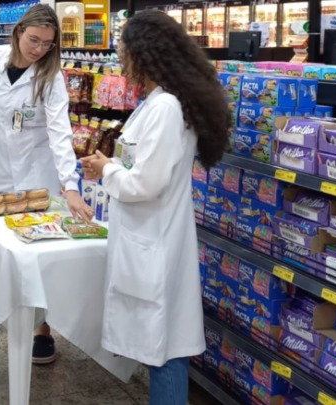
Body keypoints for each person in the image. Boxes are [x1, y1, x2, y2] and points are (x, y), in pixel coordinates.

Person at [81, 10, 231, 405]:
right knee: (159, 347)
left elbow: (146, 183)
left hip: (156, 242)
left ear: (143, 54)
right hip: (147, 237)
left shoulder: (166, 107)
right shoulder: (157, 101)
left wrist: (107, 168)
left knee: (164, 351)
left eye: (122, 49)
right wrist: (110, 167)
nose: (119, 57)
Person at [0, 4, 93, 365]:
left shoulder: (52, 76)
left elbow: (59, 132)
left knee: (37, 255)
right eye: (34, 40)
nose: (38, 49)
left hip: (38, 175)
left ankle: (42, 328)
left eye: (47, 44)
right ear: (18, 32)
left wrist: (69, 185)